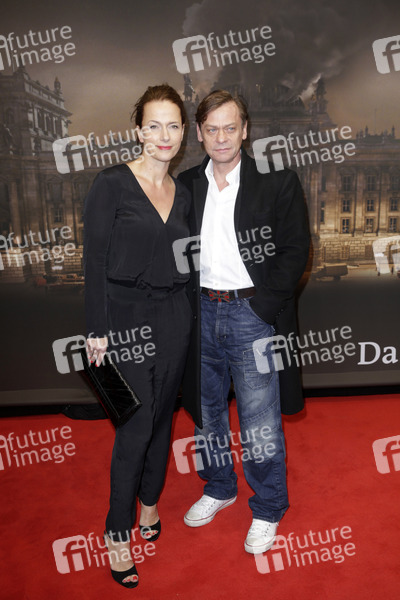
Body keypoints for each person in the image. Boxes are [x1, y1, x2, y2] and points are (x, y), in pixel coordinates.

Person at [178, 90, 310, 554]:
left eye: (230, 128)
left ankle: (269, 506)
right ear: (199, 134)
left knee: (259, 422)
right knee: (206, 414)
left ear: (245, 130)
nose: (221, 138)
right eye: (211, 129)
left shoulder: (277, 181)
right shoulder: (186, 185)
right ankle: (219, 486)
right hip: (200, 314)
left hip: (251, 315)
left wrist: (261, 308)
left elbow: (295, 250)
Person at [83, 84, 192, 588]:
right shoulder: (112, 184)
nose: (163, 135)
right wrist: (96, 330)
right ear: (138, 131)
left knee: (163, 419)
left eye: (173, 125)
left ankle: (150, 502)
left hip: (175, 316)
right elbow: (94, 261)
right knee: (135, 428)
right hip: (124, 319)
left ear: (183, 132)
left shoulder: (183, 193)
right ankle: (116, 532)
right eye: (154, 125)